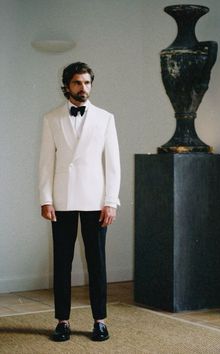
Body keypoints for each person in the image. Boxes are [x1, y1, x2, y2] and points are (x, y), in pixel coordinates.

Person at [39, 62, 121, 342]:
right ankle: (62, 321)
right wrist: (45, 199)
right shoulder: (51, 118)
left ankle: (100, 321)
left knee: (97, 262)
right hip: (61, 200)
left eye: (87, 83)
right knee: (62, 262)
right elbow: (45, 163)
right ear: (67, 85)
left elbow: (113, 164)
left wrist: (111, 201)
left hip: (96, 201)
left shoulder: (105, 118)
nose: (82, 88)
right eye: (77, 83)